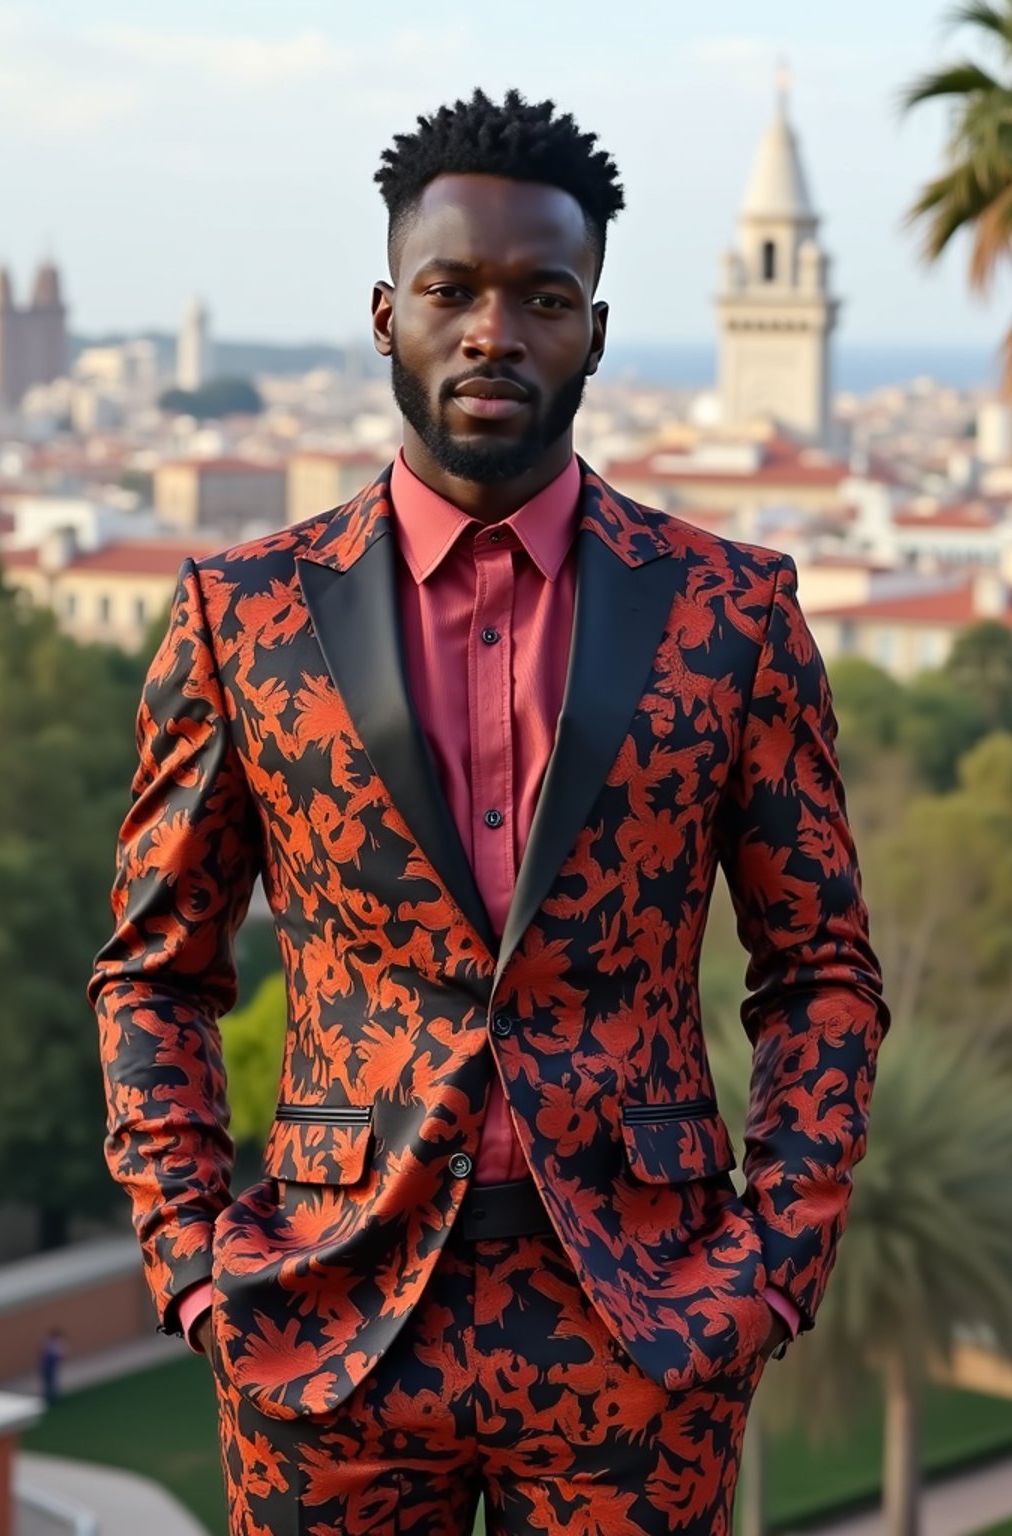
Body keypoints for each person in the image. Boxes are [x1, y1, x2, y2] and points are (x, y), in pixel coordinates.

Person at [89, 89, 888, 1536]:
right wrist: (197, 1261)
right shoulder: (244, 617)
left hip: (643, 1327)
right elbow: (155, 969)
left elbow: (822, 972)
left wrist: (773, 1264)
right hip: (324, 1325)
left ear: (592, 326)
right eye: (453, 291)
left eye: (542, 296)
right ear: (388, 312)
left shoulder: (732, 613)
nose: (493, 330)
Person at [39, 1326, 66, 1408]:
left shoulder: (54, 1344)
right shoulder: (50, 1343)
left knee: (52, 1383)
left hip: (51, 1366)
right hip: (47, 1366)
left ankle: (53, 1397)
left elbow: (60, 1356)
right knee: (49, 1383)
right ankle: (49, 1398)